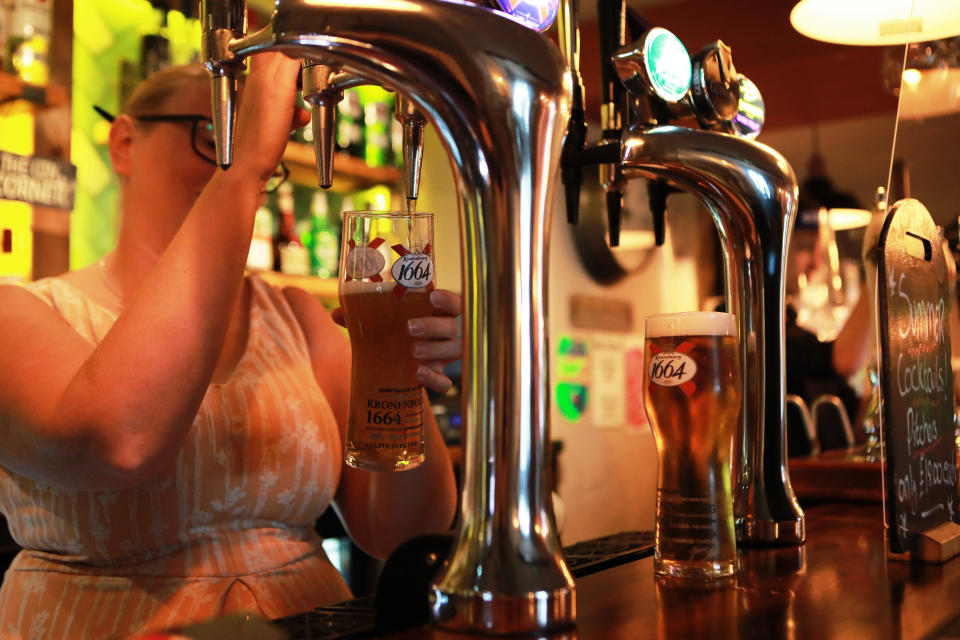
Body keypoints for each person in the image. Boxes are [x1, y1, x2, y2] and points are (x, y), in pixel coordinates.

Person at [0, 53, 459, 638]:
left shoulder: (296, 316)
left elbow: (401, 529)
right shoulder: (18, 313)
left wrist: (400, 372)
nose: (249, 161)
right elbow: (116, 442)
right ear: (123, 143)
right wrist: (241, 169)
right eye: (214, 133)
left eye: (259, 152)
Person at [784, 207, 872, 445]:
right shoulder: (754, 330)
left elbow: (857, 432)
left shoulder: (797, 328)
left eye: (818, 250)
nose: (815, 264)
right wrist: (876, 269)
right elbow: (845, 360)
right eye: (804, 247)